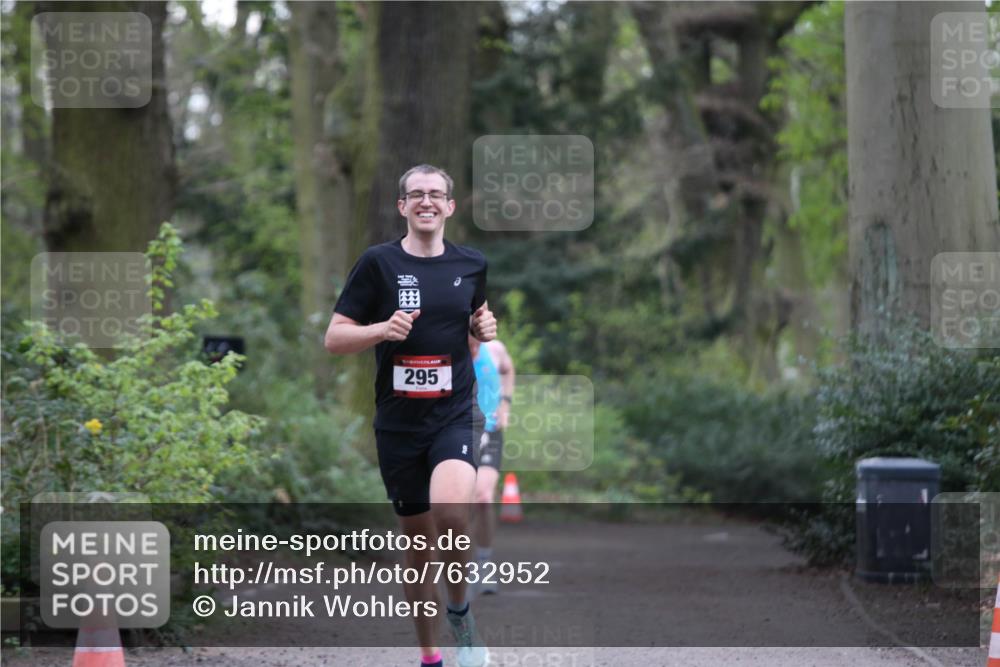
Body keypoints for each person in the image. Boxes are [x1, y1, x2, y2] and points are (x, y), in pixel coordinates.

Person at [324, 164, 496, 667]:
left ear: (450, 206)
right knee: (418, 547)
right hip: (399, 425)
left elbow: (472, 330)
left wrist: (482, 329)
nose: (427, 201)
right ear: (402, 206)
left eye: (436, 194)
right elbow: (334, 338)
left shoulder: (471, 263)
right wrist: (381, 331)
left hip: (455, 414)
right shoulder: (377, 264)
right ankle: (429, 654)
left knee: (449, 510)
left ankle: (461, 613)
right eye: (416, 194)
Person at [469, 334, 515, 595]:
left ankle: (484, 564)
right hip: (458, 432)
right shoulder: (448, 350)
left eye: (477, 344)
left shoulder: (495, 349)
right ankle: (458, 565)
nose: (474, 349)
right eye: (470, 344)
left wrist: (505, 405)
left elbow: (508, 370)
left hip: (490, 431)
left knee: (483, 497)